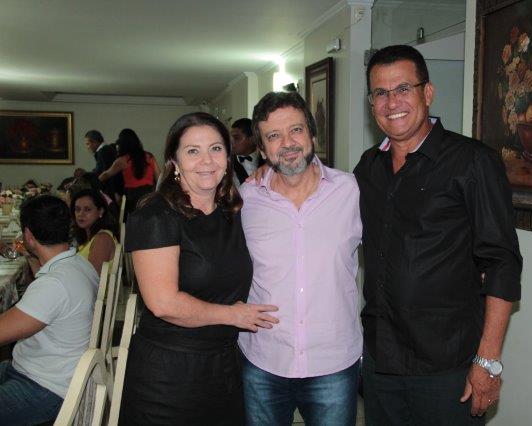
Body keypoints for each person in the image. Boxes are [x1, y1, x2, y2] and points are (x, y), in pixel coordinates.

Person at [354, 45, 523, 425]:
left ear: (427, 93)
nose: (391, 102)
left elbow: (502, 264)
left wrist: (488, 361)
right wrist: (272, 171)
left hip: (447, 367)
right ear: (371, 103)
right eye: (380, 93)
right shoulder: (369, 167)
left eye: (403, 89)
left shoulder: (473, 161)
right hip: (381, 362)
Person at [119, 112, 279, 425]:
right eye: (193, 150)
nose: (206, 160)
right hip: (169, 375)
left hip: (225, 367)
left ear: (228, 157)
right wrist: (234, 315)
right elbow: (163, 303)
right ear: (174, 161)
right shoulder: (156, 216)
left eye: (216, 149)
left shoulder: (232, 212)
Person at [239, 92, 362, 425]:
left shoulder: (351, 192)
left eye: (296, 130)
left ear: (312, 135)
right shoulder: (244, 201)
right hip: (264, 359)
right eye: (273, 136)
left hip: (333, 362)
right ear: (262, 149)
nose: (287, 143)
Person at [0, 195, 99, 424]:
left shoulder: (54, 284)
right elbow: (50, 304)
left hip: (45, 387)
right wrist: (32, 257)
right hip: (40, 369)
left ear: (28, 235)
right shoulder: (78, 264)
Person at [99, 128, 161, 214]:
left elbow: (106, 174)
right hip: (149, 193)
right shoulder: (149, 156)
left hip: (132, 195)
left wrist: (95, 182)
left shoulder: (122, 160)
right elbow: (159, 177)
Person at [71, 188, 118, 273]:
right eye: (77, 209)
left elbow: (92, 277)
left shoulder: (102, 239)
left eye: (87, 209)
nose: (80, 214)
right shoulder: (88, 236)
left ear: (101, 211)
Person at [84, 130, 123, 198]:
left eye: (88, 144)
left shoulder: (104, 151)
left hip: (111, 192)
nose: (87, 147)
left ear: (94, 142)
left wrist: (115, 192)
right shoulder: (103, 150)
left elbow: (110, 173)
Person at [230, 118, 265, 185]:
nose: (232, 142)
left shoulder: (267, 161)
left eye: (236, 138)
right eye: (231, 138)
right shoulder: (227, 163)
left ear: (252, 139)